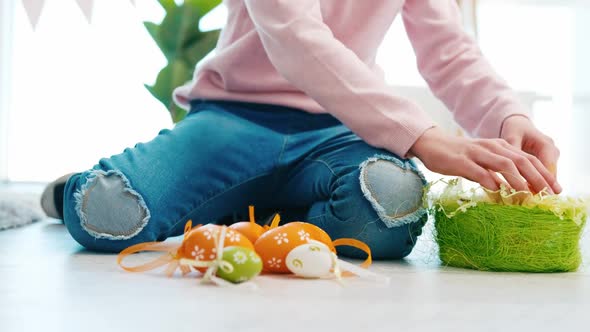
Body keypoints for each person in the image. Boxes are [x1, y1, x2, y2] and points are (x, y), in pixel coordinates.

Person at [40, 0, 561, 260]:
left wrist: (507, 117)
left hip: (340, 133)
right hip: (233, 118)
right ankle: (69, 190)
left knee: (390, 206)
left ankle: (252, 216)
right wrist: (425, 138)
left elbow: (450, 50)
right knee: (103, 214)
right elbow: (295, 37)